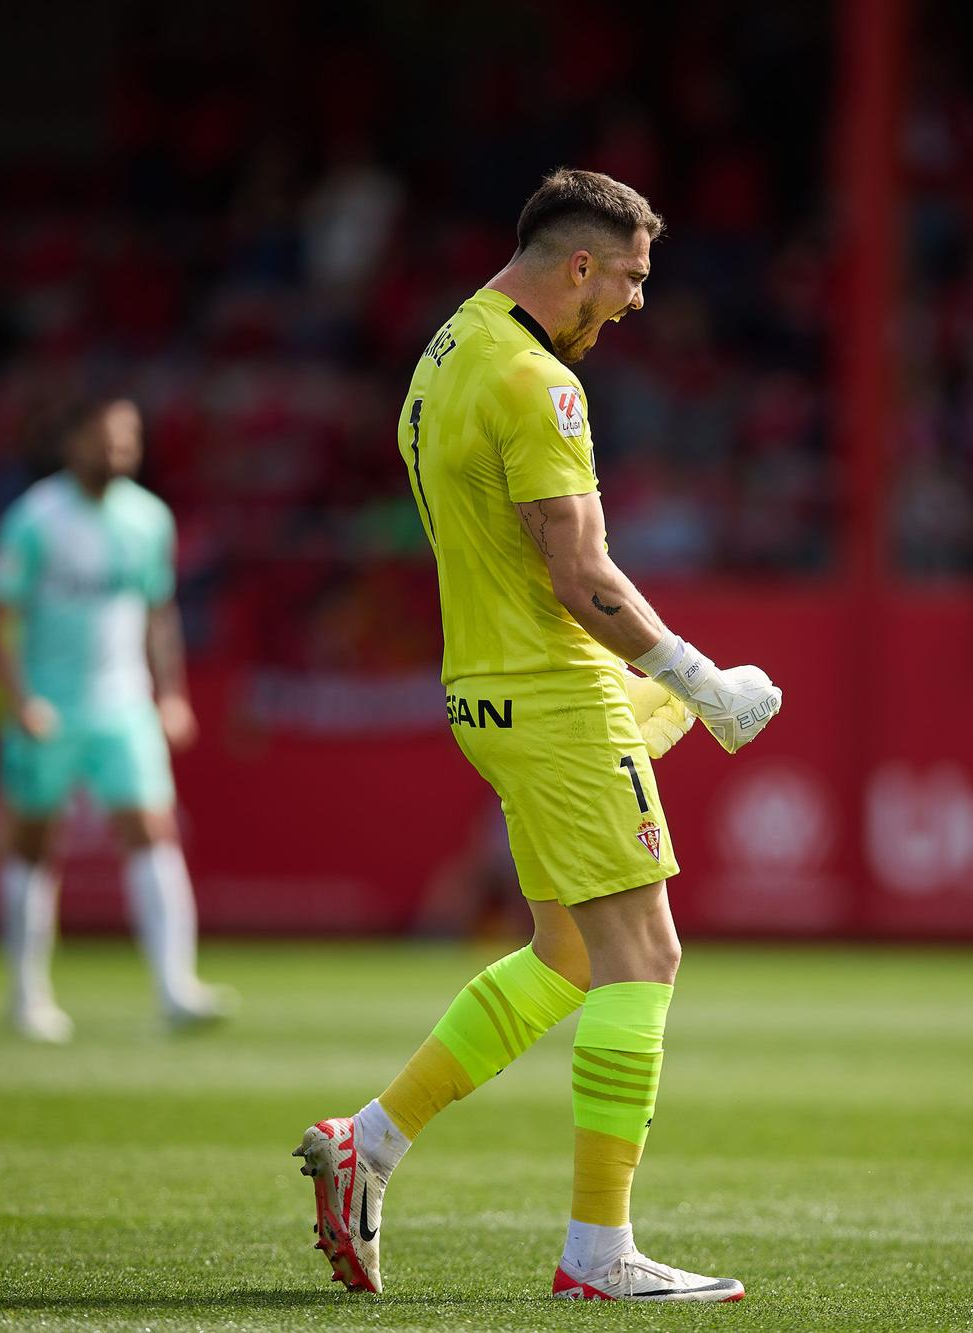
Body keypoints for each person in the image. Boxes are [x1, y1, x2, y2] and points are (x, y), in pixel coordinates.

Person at [294, 169, 782, 1303]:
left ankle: (371, 1140)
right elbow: (579, 575)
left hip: (484, 689)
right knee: (642, 956)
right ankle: (597, 1253)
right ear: (578, 266)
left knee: (568, 955)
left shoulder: (444, 352)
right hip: (553, 694)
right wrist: (696, 679)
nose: (635, 301)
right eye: (628, 277)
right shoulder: (536, 381)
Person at [0, 396, 232, 1042]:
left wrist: (170, 693)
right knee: (35, 842)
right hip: (48, 705)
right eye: (107, 435)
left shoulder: (150, 520)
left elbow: (158, 611)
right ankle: (27, 993)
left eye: (131, 435)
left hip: (124, 702)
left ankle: (177, 987)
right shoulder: (35, 518)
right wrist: (18, 699)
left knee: (152, 830)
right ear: (73, 441)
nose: (121, 447)